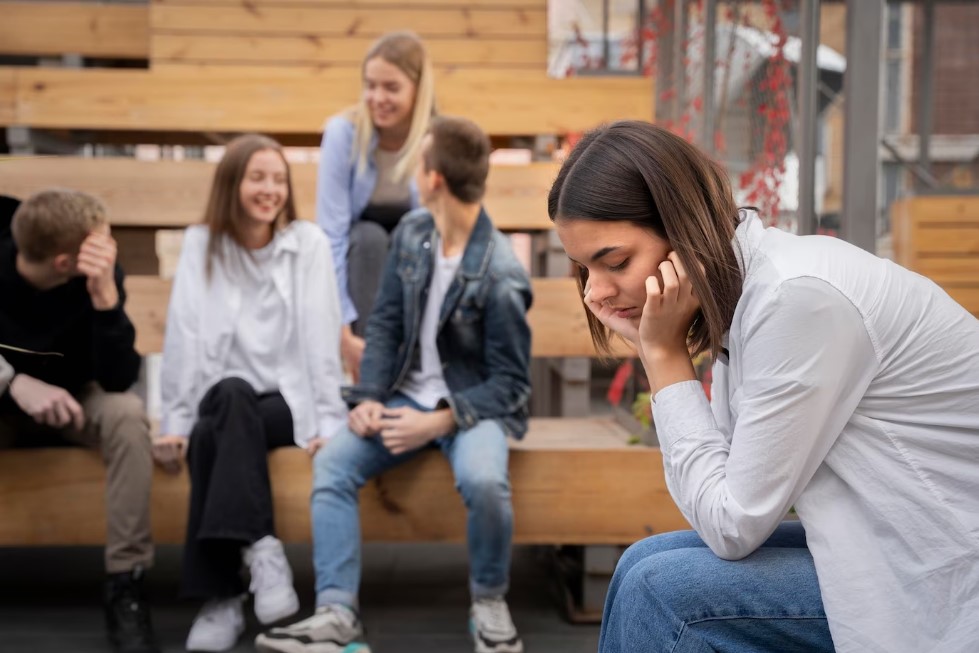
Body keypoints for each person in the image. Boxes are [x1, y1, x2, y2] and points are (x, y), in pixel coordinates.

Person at [548, 120, 979, 653]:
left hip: (945, 564)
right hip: (889, 532)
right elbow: (728, 491)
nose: (596, 291)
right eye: (584, 268)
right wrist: (658, 346)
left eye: (614, 262)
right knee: (645, 561)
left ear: (682, 230)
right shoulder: (755, 293)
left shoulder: (795, 299)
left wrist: (660, 355)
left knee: (660, 592)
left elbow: (732, 526)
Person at [256, 116, 532, 653]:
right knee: (332, 464)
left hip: (468, 407)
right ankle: (337, 613)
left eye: (419, 158)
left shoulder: (500, 272)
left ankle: (490, 602)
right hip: (402, 396)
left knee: (484, 481)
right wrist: (369, 399)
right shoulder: (412, 233)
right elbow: (384, 326)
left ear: (433, 178)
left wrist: (439, 419)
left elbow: (513, 385)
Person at [155, 134, 348, 652]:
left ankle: (220, 598)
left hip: (290, 404)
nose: (270, 189)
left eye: (278, 179)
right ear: (232, 184)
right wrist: (173, 421)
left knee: (222, 422)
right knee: (225, 404)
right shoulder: (203, 244)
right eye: (257, 178)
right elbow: (183, 334)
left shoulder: (306, 242)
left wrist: (327, 423)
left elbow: (318, 334)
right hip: (224, 403)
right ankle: (261, 549)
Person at [0, 191, 159, 653]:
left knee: (128, 417)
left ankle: (125, 585)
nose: (108, 250)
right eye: (100, 243)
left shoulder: (100, 276)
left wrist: (106, 302)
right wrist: (13, 383)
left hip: (77, 397)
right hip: (4, 401)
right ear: (65, 260)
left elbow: (120, 378)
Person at [316, 31, 437, 382]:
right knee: (368, 238)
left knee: (412, 235)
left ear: (418, 89)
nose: (377, 98)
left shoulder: (435, 139)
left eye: (391, 88)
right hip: (360, 254)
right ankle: (370, 368)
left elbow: (443, 231)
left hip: (412, 252)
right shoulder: (342, 133)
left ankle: (413, 362)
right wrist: (341, 328)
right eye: (370, 86)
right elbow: (332, 235)